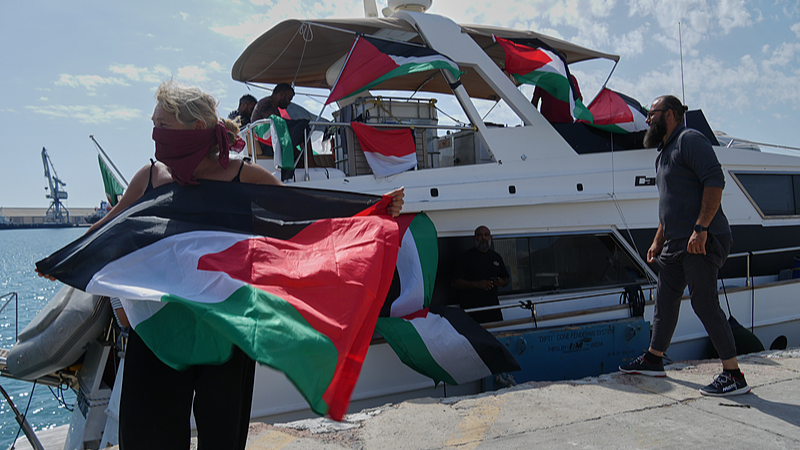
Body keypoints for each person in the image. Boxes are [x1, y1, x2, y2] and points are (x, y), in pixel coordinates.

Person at [36, 80, 405, 449]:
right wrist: (62, 260)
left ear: (194, 128)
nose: (154, 134)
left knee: (222, 440)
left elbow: (305, 218)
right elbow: (108, 230)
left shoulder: (245, 178)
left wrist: (370, 212)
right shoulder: (149, 179)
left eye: (162, 124)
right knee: (148, 438)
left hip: (226, 330)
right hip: (159, 330)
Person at [619, 95, 750, 397]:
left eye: (651, 114)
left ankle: (733, 374)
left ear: (670, 115)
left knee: (705, 303)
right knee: (665, 301)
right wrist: (657, 241)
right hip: (675, 243)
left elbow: (715, 181)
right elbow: (672, 205)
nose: (647, 120)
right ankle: (654, 358)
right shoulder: (664, 152)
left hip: (699, 241)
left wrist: (701, 229)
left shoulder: (690, 139)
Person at [450, 226, 510, 324]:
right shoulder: (465, 257)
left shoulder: (496, 257)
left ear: (491, 238)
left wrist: (502, 282)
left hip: (493, 310)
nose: (483, 238)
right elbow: (454, 282)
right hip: (472, 312)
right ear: (474, 238)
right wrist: (477, 284)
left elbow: (506, 278)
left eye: (486, 235)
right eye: (480, 235)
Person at [531, 54, 582, 123]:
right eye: (557, 60)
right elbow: (535, 101)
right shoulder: (543, 78)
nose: (559, 62)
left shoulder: (571, 79)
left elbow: (579, 99)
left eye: (562, 60)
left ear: (565, 63)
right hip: (546, 123)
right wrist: (531, 120)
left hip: (566, 123)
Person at [250, 83, 295, 157]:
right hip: (265, 145)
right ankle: (310, 163)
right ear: (282, 94)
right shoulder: (267, 103)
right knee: (302, 130)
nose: (289, 102)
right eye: (289, 98)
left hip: (268, 143)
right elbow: (277, 123)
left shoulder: (269, 104)